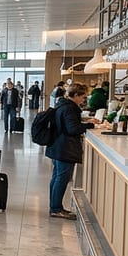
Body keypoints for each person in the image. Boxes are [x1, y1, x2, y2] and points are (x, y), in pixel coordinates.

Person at [46, 82, 96, 220]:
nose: (83, 100)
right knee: (61, 178)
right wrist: (90, 125)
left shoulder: (62, 105)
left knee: (57, 177)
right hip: (65, 148)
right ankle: (56, 208)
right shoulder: (70, 108)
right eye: (82, 97)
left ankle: (54, 206)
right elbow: (72, 128)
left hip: (57, 146)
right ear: (75, 95)